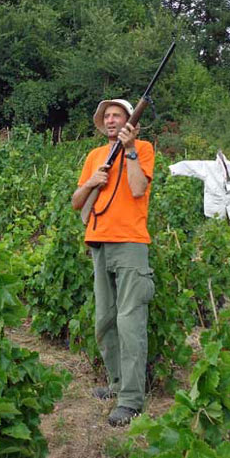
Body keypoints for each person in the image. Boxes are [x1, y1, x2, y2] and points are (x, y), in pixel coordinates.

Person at [71, 98, 155, 427]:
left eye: (117, 115)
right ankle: (117, 383)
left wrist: (130, 150)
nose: (110, 120)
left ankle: (131, 400)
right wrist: (93, 181)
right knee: (104, 321)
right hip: (99, 243)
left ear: (129, 121)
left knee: (130, 322)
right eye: (106, 116)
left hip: (131, 243)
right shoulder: (94, 156)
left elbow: (137, 189)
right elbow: (77, 202)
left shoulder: (143, 149)